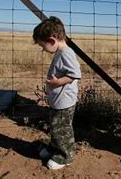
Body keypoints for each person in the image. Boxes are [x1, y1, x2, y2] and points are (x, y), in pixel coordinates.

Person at [33, 16, 81, 170]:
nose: (42, 49)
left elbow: (75, 73)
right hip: (58, 100)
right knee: (55, 127)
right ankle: (55, 148)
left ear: (52, 40)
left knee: (62, 129)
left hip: (64, 102)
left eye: (43, 45)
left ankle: (65, 156)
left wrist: (57, 83)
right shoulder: (60, 52)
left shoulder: (66, 53)